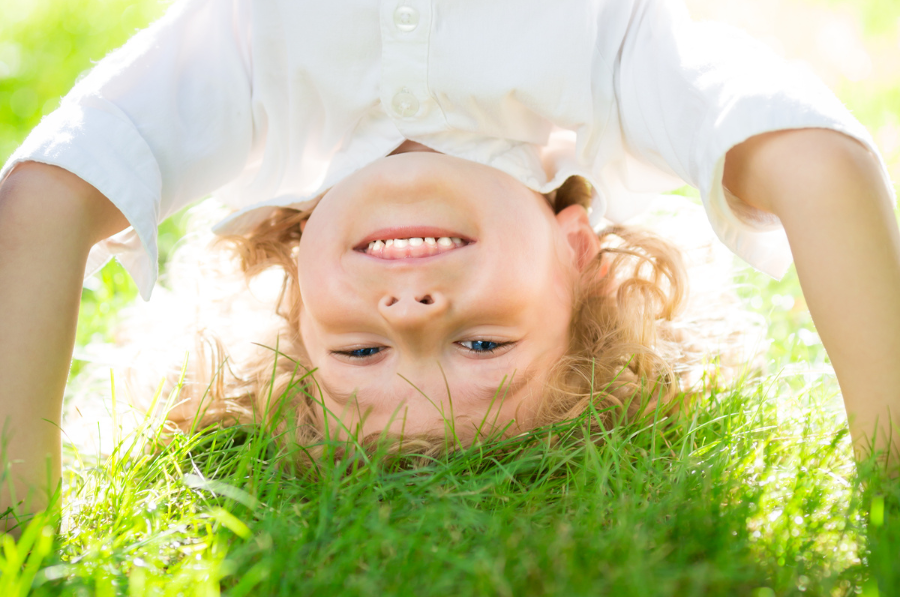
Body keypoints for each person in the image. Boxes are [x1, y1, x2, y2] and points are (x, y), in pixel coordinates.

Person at [1, 0, 898, 531]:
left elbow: (44, 202)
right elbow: (818, 164)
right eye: (482, 347)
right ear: (579, 257)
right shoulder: (611, 65)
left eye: (358, 354)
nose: (414, 311)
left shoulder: (249, 69)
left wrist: (19, 518)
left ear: (293, 282)